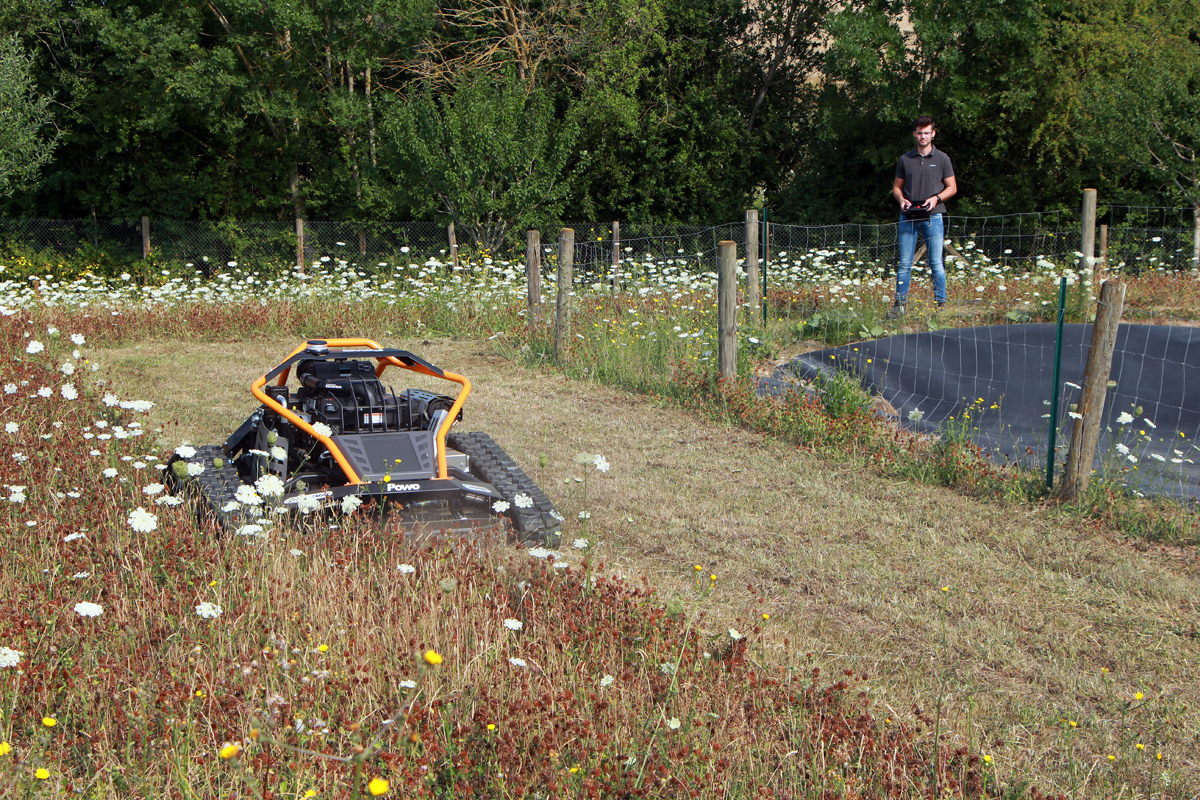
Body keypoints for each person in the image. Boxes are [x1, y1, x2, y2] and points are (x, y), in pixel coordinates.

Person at [888, 115, 956, 319]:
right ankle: (899, 306)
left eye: (927, 132)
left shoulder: (942, 158)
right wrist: (901, 200)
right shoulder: (905, 159)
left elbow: (952, 188)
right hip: (908, 216)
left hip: (933, 216)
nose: (923, 136)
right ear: (914, 135)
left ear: (933, 133)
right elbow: (896, 188)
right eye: (919, 133)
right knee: (904, 263)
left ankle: (940, 306)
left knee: (936, 262)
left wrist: (936, 198)